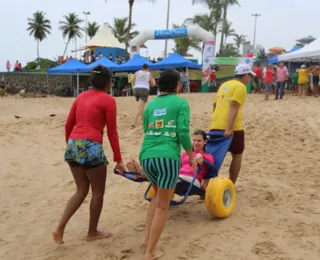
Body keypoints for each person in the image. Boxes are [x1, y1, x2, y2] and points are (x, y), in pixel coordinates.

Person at [52, 65, 126, 245]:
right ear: (109, 83)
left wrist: (72, 147)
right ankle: (92, 232)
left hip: (73, 144)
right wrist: (118, 159)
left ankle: (59, 228)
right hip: (91, 145)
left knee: (80, 190)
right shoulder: (109, 101)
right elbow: (112, 133)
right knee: (98, 192)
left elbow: (68, 125)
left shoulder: (81, 97)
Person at [139, 69, 197, 260]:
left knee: (156, 198)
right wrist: (191, 156)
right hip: (168, 157)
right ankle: (150, 252)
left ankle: (147, 240)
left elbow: (147, 128)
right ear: (178, 85)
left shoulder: (150, 105)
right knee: (163, 206)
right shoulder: (181, 103)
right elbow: (182, 131)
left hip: (146, 155)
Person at [209, 64, 254, 189]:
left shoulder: (224, 85)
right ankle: (231, 185)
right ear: (245, 75)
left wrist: (215, 121)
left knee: (213, 156)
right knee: (237, 155)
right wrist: (229, 127)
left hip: (215, 124)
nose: (250, 79)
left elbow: (215, 105)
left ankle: (206, 185)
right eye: (250, 76)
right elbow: (234, 106)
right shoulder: (241, 87)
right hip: (233, 127)